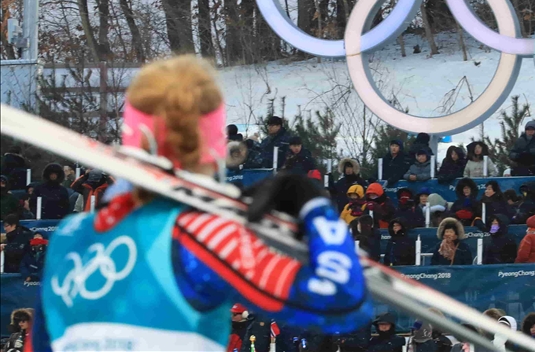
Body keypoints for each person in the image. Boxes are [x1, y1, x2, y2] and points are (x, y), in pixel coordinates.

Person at [32, 56, 370, 352]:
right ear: (210, 144)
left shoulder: (70, 236)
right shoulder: (204, 236)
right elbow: (339, 300)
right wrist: (313, 208)